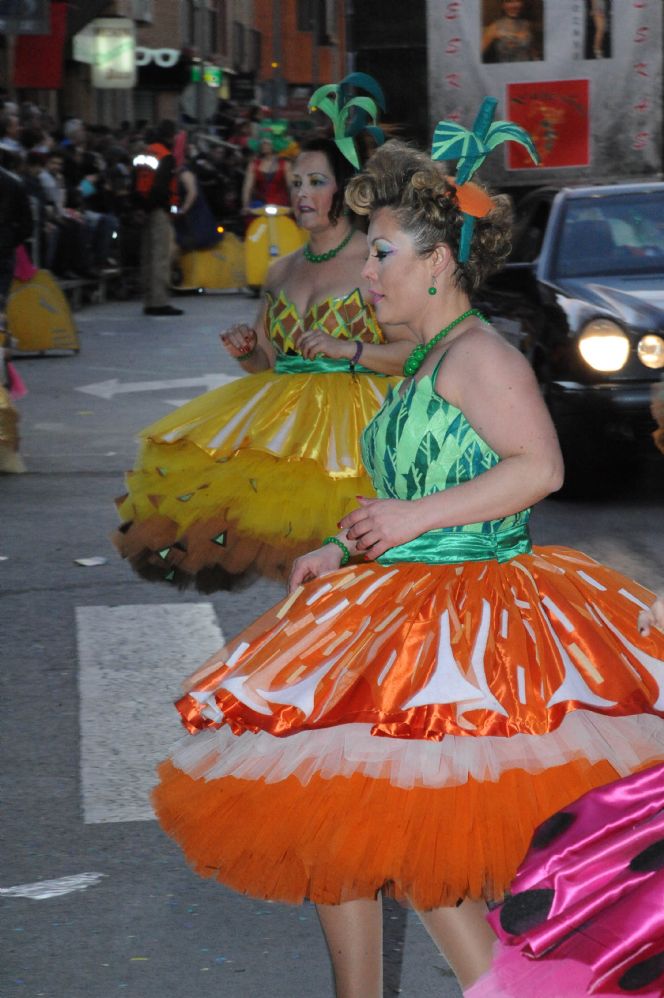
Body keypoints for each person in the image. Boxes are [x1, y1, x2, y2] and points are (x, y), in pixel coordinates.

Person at [152, 135, 664, 995]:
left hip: (471, 627)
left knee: (420, 858)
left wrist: (409, 518)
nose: (366, 274)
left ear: (438, 263)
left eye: (382, 254)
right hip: (405, 607)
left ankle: (509, 992)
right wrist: (341, 545)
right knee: (344, 832)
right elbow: (415, 488)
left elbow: (539, 468)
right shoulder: (426, 361)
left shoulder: (481, 356)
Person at [114, 135, 416, 590]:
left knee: (359, 582)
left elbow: (415, 354)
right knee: (304, 579)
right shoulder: (280, 271)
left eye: (316, 181)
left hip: (360, 440)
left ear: (349, 190)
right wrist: (247, 350)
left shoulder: (376, 260)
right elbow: (267, 362)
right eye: (296, 183)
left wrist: (348, 350)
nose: (301, 194)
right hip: (288, 438)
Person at [133, 119, 183, 317]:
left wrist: (139, 207)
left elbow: (136, 180)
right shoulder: (166, 156)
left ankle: (148, 300)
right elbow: (161, 187)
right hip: (158, 211)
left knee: (147, 256)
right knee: (160, 257)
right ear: (171, 136)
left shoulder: (145, 153)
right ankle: (159, 302)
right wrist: (161, 207)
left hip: (143, 208)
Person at [241, 130, 292, 216]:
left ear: (274, 145)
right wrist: (245, 206)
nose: (263, 145)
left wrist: (295, 205)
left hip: (282, 207)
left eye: (266, 143)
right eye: (262, 143)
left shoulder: (285, 165)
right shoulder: (253, 165)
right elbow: (247, 188)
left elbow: (292, 187)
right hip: (260, 207)